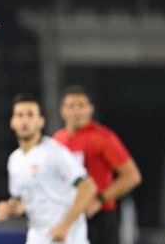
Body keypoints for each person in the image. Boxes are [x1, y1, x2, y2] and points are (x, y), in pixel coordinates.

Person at [0, 93, 97, 244]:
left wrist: (65, 225)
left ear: (41, 122)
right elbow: (23, 201)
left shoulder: (54, 152)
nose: (24, 120)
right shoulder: (14, 160)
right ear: (12, 122)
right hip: (38, 237)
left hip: (68, 238)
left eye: (30, 115)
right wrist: (9, 208)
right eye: (20, 115)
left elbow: (88, 186)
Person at [54, 85, 142, 244]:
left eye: (81, 105)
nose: (76, 111)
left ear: (90, 109)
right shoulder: (57, 141)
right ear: (62, 111)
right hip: (69, 216)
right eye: (71, 106)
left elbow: (132, 176)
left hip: (99, 217)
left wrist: (100, 199)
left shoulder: (102, 137)